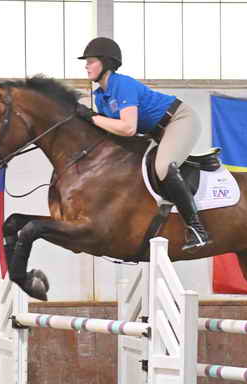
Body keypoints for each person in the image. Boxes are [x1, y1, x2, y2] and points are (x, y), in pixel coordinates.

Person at [76, 37, 211, 252]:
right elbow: (111, 131)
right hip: (155, 132)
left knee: (163, 166)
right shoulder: (101, 96)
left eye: (91, 61)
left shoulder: (122, 84)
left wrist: (91, 117)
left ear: (106, 63)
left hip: (179, 119)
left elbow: (128, 128)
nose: (86, 66)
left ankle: (196, 229)